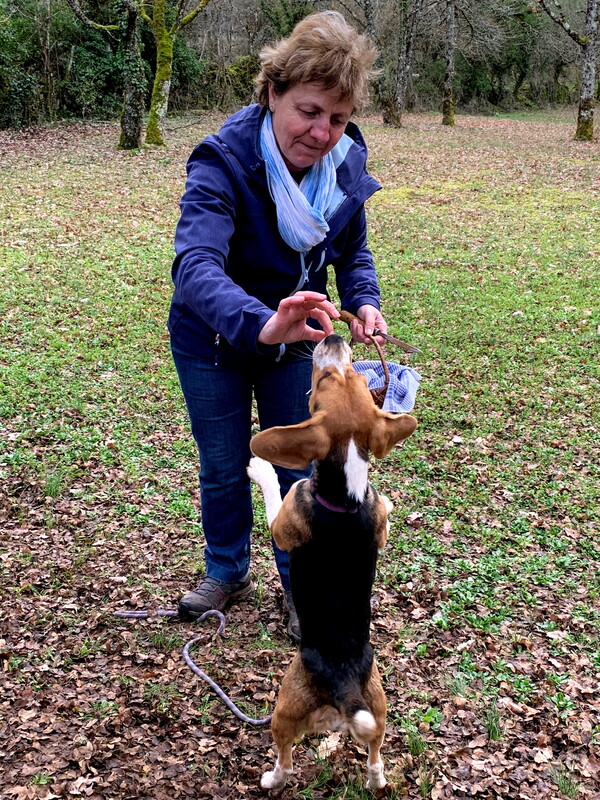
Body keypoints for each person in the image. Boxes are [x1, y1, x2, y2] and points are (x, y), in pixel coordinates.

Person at [169, 10, 388, 642]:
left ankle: (301, 584)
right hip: (213, 340)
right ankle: (226, 570)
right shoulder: (223, 161)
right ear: (272, 92)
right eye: (308, 111)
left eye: (337, 118)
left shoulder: (344, 163)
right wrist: (263, 321)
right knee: (224, 464)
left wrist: (363, 299)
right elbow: (195, 264)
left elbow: (352, 249)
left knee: (299, 469)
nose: (322, 133)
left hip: (301, 342)